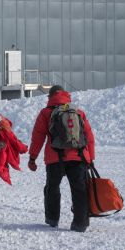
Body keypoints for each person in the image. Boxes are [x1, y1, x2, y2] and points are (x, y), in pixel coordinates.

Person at [27, 85, 95, 232]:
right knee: (79, 190)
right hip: (78, 157)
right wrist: (91, 158)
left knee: (52, 188)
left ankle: (52, 219)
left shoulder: (46, 113)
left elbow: (37, 137)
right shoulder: (78, 112)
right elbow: (89, 137)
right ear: (66, 95)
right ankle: (80, 223)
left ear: (50, 97)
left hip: (54, 158)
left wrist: (32, 158)